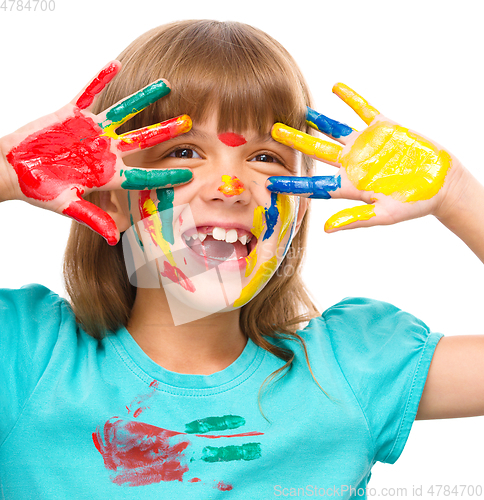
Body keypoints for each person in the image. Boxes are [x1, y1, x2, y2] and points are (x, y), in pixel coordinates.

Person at [0, 19, 483, 499]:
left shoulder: (348, 370)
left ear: (305, 199)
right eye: (184, 151)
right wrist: (7, 169)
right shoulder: (28, 356)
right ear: (109, 195)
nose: (230, 188)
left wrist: (457, 194)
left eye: (266, 158)